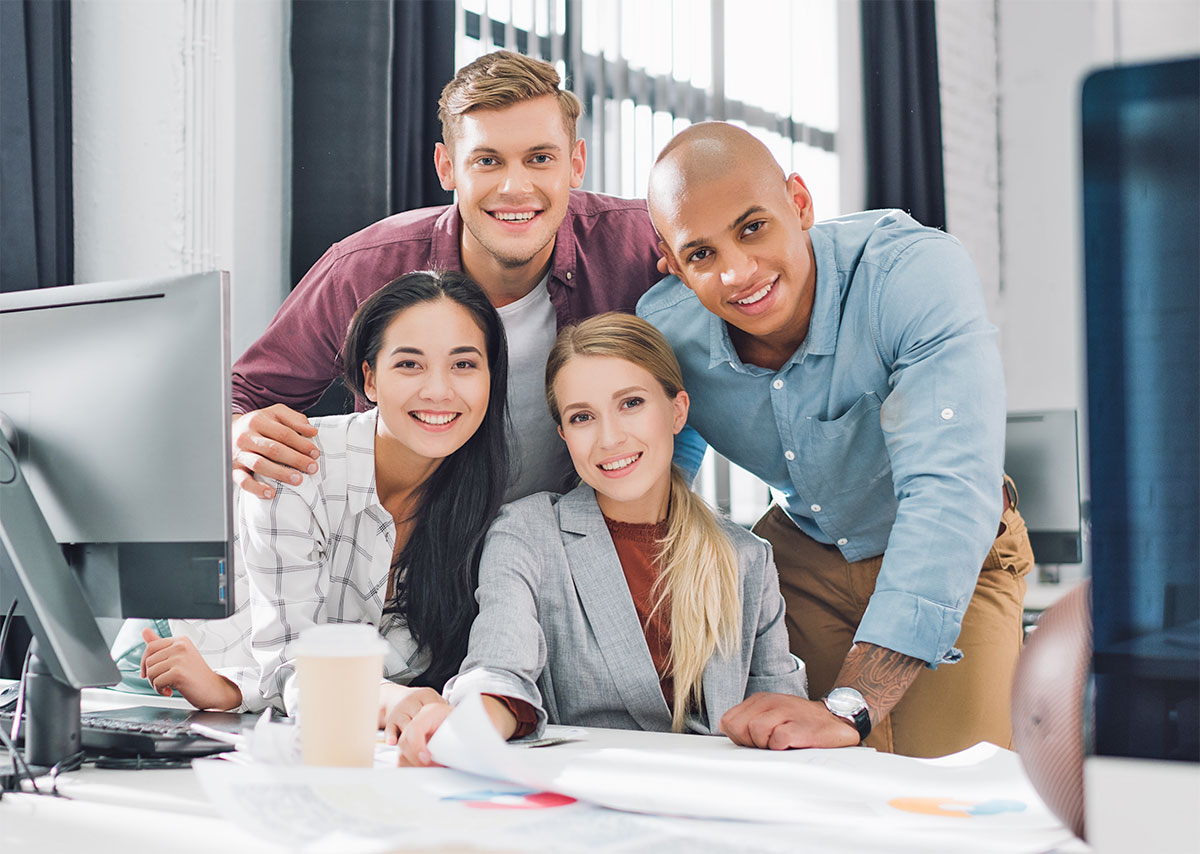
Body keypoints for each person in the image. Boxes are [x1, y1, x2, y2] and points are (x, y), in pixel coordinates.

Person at [638, 122, 1034, 758]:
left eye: (752, 227)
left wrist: (853, 704)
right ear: (673, 263)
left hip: (956, 545)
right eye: (701, 254)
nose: (738, 273)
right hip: (800, 556)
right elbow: (651, 481)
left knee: (956, 780)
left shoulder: (910, 272)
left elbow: (950, 490)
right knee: (799, 775)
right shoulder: (664, 331)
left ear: (799, 203)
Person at [231, 50, 662, 505]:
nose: (515, 188)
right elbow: (244, 394)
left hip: (571, 546)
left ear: (575, 163)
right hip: (411, 546)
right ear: (447, 167)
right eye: (487, 161)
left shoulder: (642, 244)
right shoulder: (364, 268)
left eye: (539, 158)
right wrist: (240, 432)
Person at [390, 313, 806, 765]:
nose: (609, 438)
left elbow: (783, 712)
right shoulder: (527, 532)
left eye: (631, 403)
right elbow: (498, 666)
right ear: (564, 434)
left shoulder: (747, 558)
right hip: (583, 793)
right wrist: (473, 723)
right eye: (583, 416)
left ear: (677, 411)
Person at [138, 271, 509, 722]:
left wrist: (235, 692)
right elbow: (293, 661)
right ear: (369, 380)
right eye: (409, 364)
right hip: (171, 662)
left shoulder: (483, 508)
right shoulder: (296, 467)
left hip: (253, 701)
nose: (438, 390)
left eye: (464, 364)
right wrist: (386, 700)